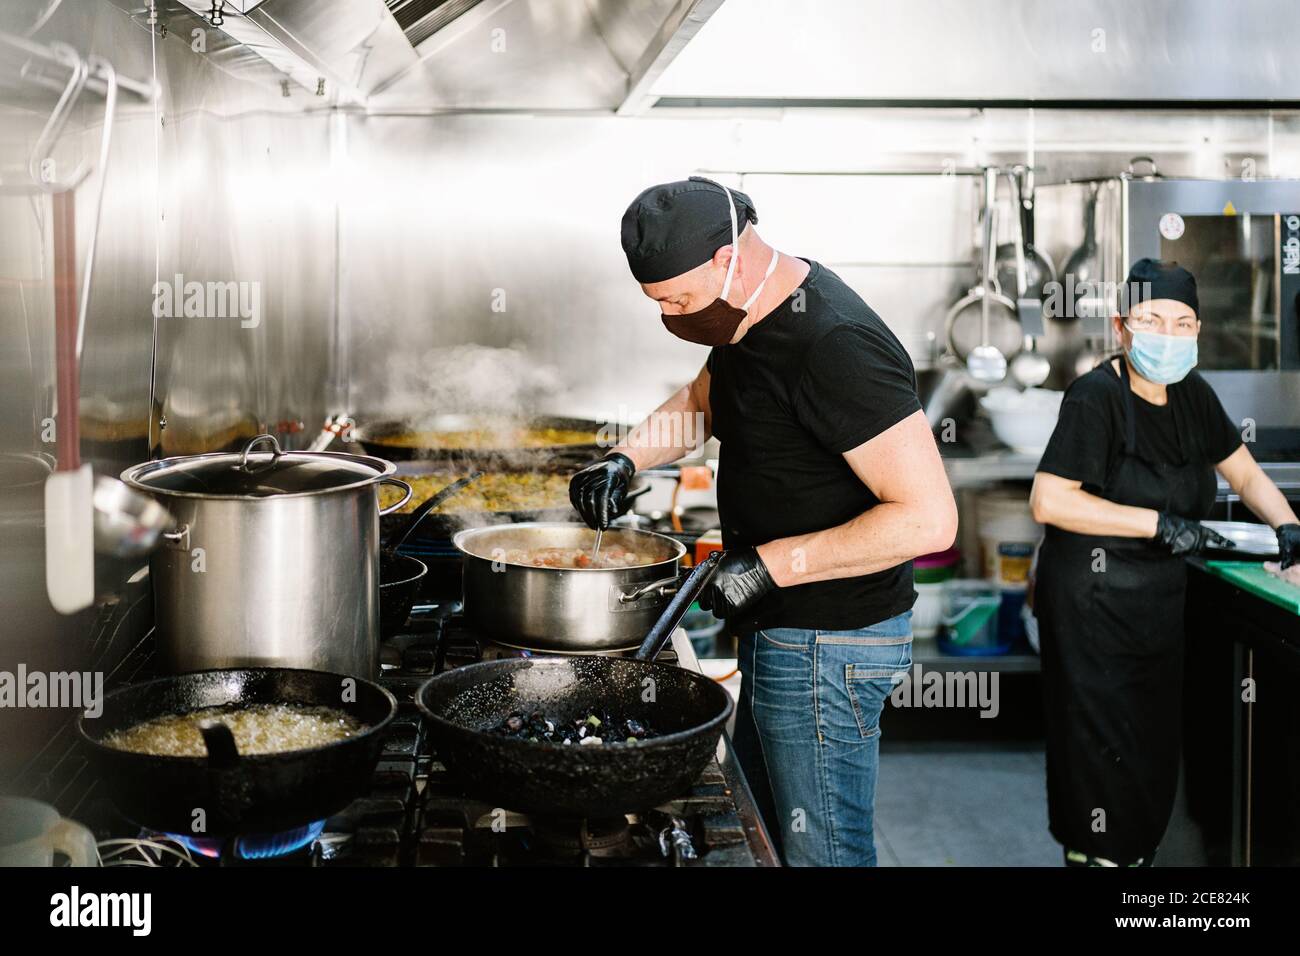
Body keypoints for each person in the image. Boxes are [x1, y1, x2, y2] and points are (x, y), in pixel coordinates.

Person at [568, 177, 958, 866]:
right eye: (657, 303)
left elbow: (928, 520)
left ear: (727, 258)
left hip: (827, 642)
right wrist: (625, 460)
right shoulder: (750, 313)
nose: (672, 315)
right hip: (785, 630)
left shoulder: (834, 343)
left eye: (678, 299)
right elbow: (704, 399)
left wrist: (773, 565)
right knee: (769, 832)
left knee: (822, 852)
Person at [1030, 258, 1300, 867]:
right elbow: (1049, 499)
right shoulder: (1095, 396)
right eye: (1152, 320)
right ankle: (1096, 857)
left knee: (1148, 748)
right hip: (1093, 602)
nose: (1167, 334)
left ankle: (1132, 862)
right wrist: (1157, 523)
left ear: (1198, 330)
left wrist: (1287, 525)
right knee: (1101, 749)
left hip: (1155, 602)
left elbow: (1246, 473)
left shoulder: (1193, 397)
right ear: (1123, 327)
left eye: (1182, 322)